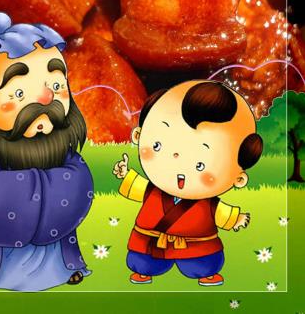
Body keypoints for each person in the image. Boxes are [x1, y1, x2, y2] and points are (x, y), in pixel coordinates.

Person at [0, 12, 93, 291]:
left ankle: (62, 270)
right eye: (19, 94)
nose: (45, 99)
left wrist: (54, 184)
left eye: (57, 86)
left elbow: (79, 181)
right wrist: (38, 185)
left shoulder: (60, 145)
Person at [113, 80, 263, 286]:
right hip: (150, 243)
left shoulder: (208, 204)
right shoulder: (153, 191)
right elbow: (137, 186)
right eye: (158, 146)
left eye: (200, 164)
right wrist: (125, 174)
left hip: (196, 247)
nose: (177, 160)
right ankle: (144, 271)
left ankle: (205, 273)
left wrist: (236, 219)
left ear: (239, 178)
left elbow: (221, 213)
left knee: (202, 264)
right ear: (139, 136)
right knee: (142, 261)